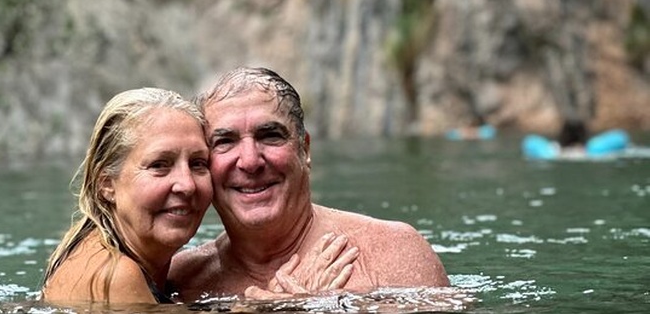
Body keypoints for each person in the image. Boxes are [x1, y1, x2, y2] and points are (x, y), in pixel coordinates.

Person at [168, 67, 450, 300]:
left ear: (305, 150)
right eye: (225, 142)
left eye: (270, 135)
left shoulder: (393, 253)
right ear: (203, 163)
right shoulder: (180, 279)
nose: (250, 161)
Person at [41, 88, 212, 305]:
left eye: (198, 164)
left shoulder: (98, 251)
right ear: (106, 184)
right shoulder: (114, 276)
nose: (187, 185)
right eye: (159, 165)